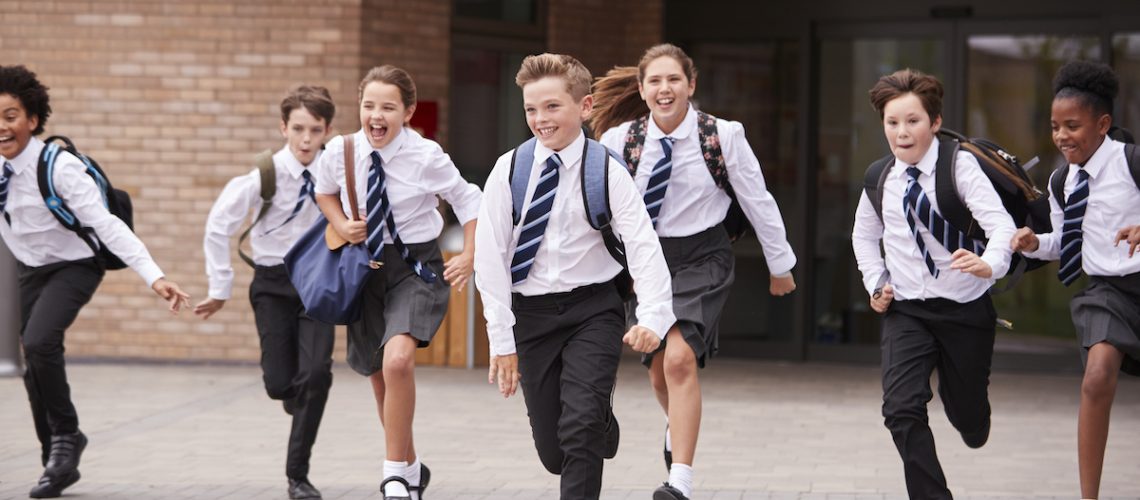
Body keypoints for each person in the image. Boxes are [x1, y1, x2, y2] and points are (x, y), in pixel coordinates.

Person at [592, 43, 797, 500]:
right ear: (642, 89)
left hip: (704, 257)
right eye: (655, 81)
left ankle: (679, 480)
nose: (665, 89)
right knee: (657, 371)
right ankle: (676, 425)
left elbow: (756, 200)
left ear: (691, 84)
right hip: (646, 262)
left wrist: (779, 264)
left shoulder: (722, 135)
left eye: (674, 80)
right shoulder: (618, 141)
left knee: (680, 358)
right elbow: (599, 208)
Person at [473, 52, 675, 500]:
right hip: (532, 315)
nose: (540, 119)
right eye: (531, 109)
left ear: (583, 108)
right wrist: (501, 341)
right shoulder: (509, 170)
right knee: (554, 450)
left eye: (552, 107)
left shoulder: (606, 170)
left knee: (578, 429)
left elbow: (643, 245)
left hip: (593, 310)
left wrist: (654, 317)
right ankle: (599, 419)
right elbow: (489, 259)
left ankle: (590, 418)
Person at [0, 64, 190, 498]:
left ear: (32, 120)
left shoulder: (60, 167)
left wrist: (154, 277)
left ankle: (66, 436)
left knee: (41, 340)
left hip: (75, 264)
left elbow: (106, 225)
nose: (1, 127)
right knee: (35, 359)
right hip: (30, 267)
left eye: (10, 116)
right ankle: (56, 458)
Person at [313, 65, 481, 500]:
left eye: (388, 107)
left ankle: (390, 476)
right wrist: (341, 224)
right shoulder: (340, 150)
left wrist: (469, 252)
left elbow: (468, 198)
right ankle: (408, 467)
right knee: (378, 376)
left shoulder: (426, 156)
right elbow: (323, 191)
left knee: (398, 362)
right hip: (362, 267)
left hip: (415, 268)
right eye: (369, 105)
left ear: (407, 112)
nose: (376, 115)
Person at [851, 68, 1016, 499]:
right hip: (907, 311)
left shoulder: (959, 166)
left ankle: (974, 420)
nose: (902, 132)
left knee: (966, 416)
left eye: (913, 121)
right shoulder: (879, 178)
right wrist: (877, 283)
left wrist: (988, 263)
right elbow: (864, 237)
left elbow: (1000, 226)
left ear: (935, 122)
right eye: (892, 123)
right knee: (901, 409)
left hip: (965, 310)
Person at [194, 85, 336, 499]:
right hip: (273, 284)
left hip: (318, 281)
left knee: (315, 375)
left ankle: (297, 476)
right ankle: (297, 398)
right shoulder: (264, 175)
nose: (306, 139)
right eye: (298, 129)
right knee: (279, 384)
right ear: (283, 127)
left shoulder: (337, 171)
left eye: (315, 129)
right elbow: (218, 225)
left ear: (328, 130)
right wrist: (220, 287)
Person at [1010, 60, 1140, 500]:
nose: (1062, 136)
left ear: (1102, 124)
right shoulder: (1062, 181)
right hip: (1107, 292)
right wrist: (1034, 243)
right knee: (1097, 374)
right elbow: (1069, 242)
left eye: (1072, 125)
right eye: (1054, 126)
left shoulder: (1133, 162)